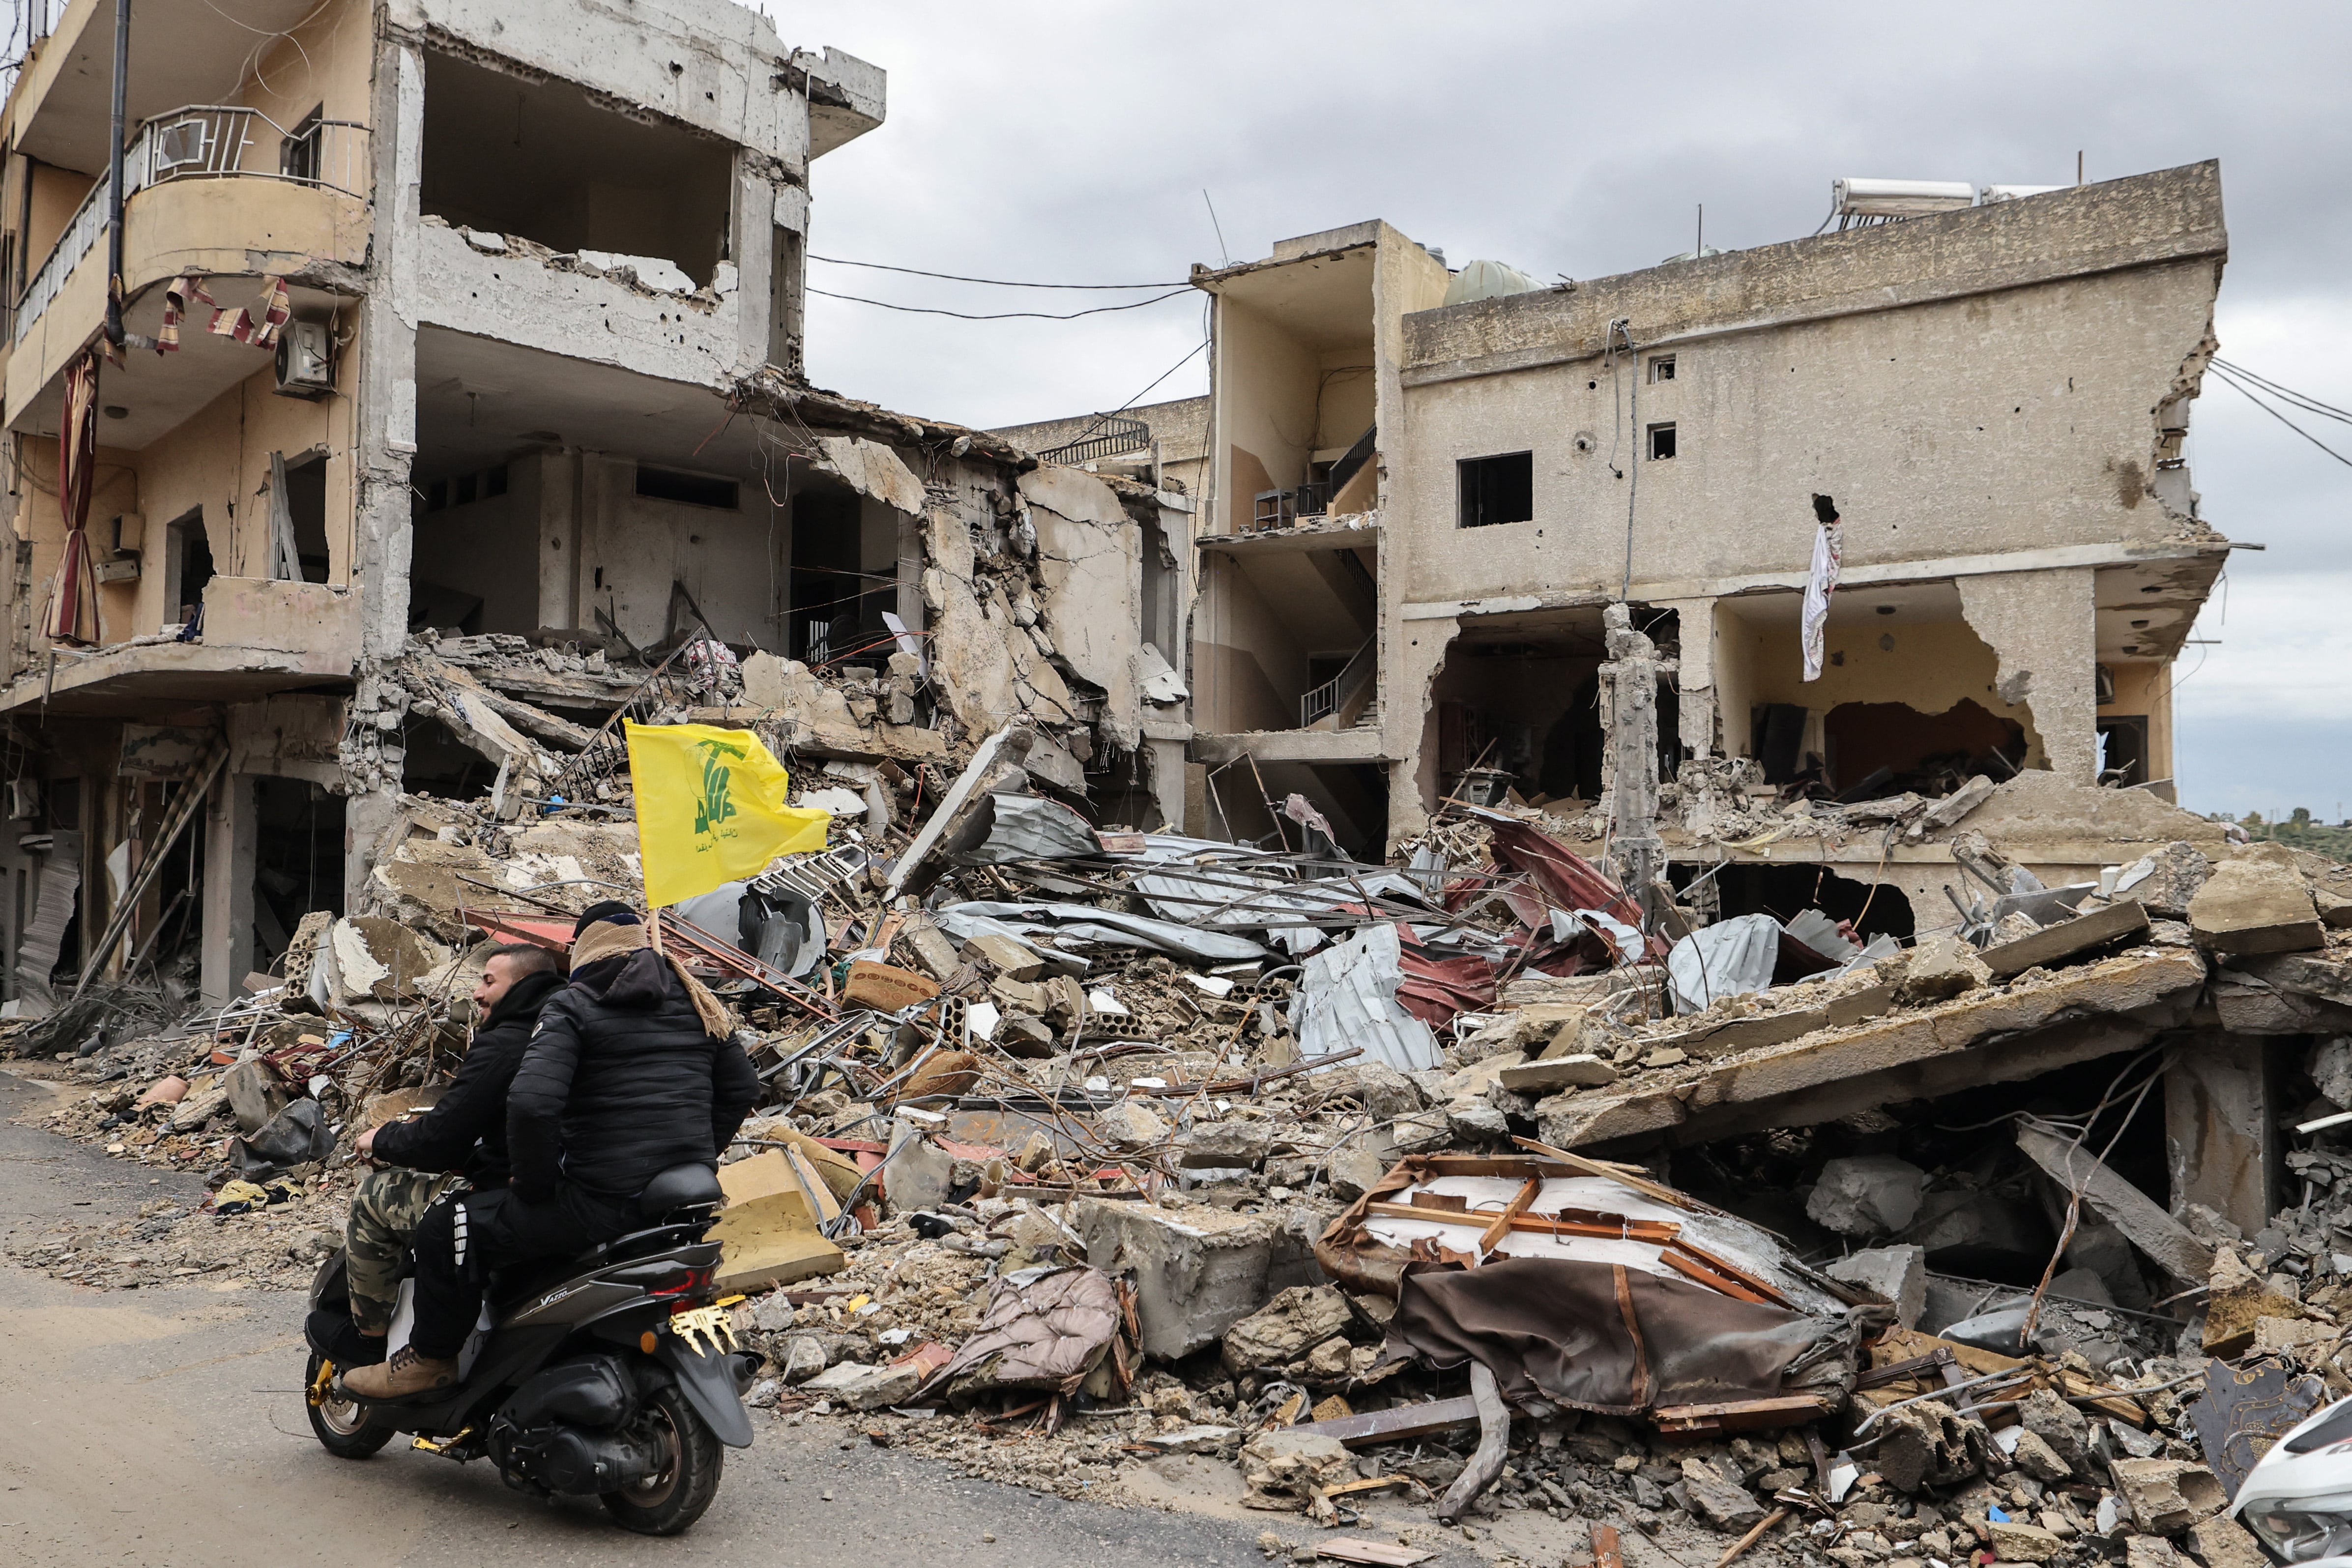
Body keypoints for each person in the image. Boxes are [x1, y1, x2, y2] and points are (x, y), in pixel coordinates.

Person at [345, 902, 759, 1400]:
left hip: (600, 1201)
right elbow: (742, 1088)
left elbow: (532, 1104)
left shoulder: (576, 1003)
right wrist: (698, 1154)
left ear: (582, 949)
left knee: (448, 1222)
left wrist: (535, 1185)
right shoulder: (694, 1000)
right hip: (680, 1201)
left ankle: (430, 1359)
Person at [329, 942, 563, 1364]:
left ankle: (369, 1342)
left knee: (374, 1198)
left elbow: (440, 1141)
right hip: (573, 1187)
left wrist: (381, 1139)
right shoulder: (564, 1034)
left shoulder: (506, 1044)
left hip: (512, 1193)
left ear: (524, 986)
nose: (476, 993)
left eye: (489, 981)